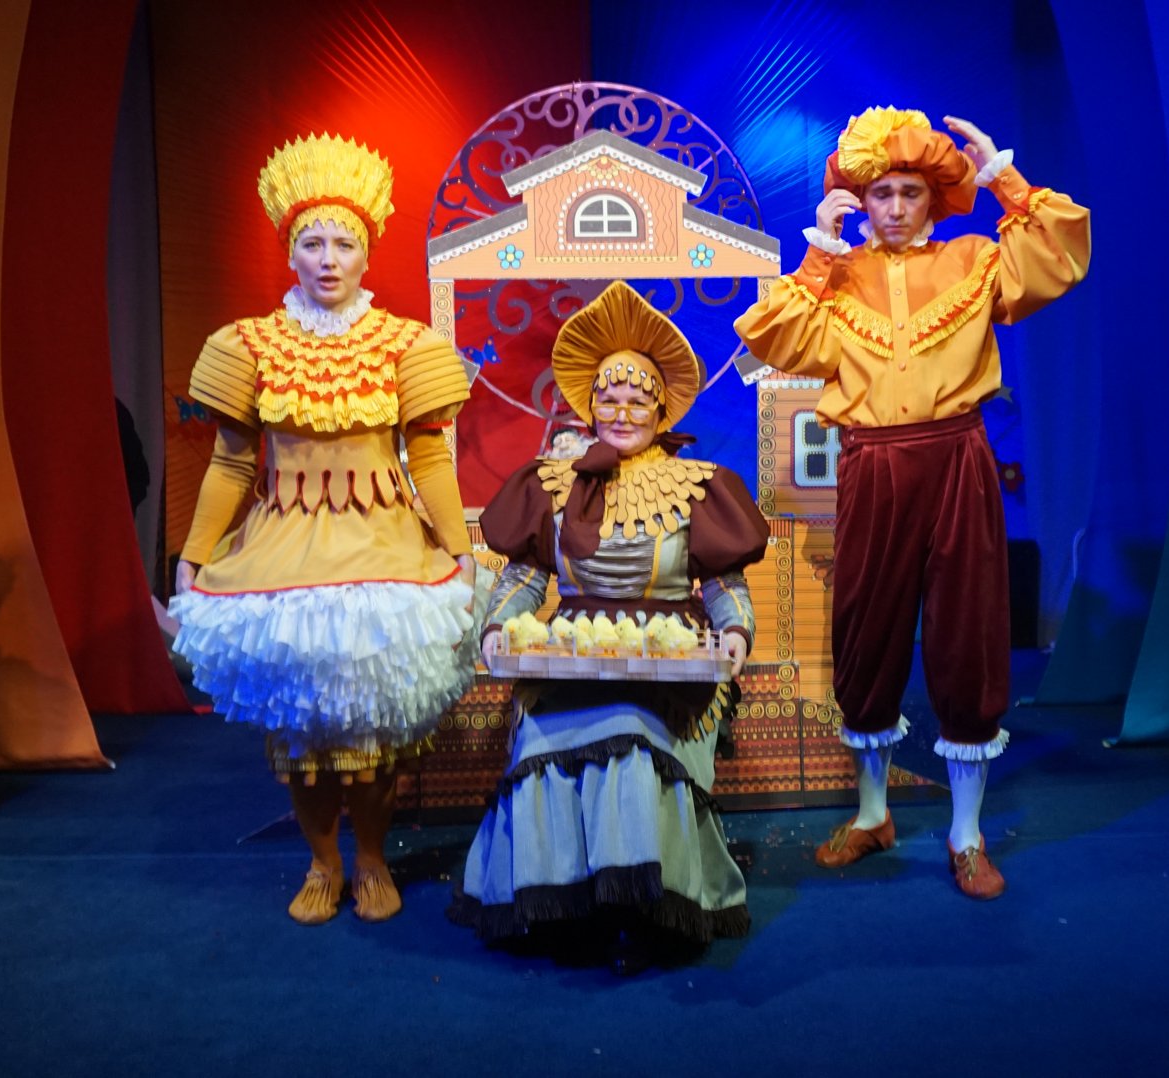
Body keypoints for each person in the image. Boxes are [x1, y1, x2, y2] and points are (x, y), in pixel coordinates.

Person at [734, 108, 1090, 899]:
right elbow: (774, 339)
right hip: (873, 465)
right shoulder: (838, 276)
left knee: (968, 633)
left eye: (910, 192)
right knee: (867, 631)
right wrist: (820, 251)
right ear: (859, 200)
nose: (894, 207)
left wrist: (1002, 174)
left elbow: (1059, 256)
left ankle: (966, 834)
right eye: (880, 194)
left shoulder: (972, 259)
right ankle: (873, 814)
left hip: (957, 457)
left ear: (934, 197)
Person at [169, 133, 477, 924]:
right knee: (303, 735)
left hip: (382, 550)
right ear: (290, 253)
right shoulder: (248, 346)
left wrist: (459, 548)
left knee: (373, 731)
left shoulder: (406, 345)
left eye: (345, 243)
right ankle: (321, 863)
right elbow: (231, 463)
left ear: (367, 254)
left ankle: (371, 860)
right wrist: (193, 554)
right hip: (285, 555)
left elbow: (430, 457)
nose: (329, 259)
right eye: (313, 243)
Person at [448, 282, 768, 972]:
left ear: (661, 408)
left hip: (673, 666)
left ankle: (645, 903)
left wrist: (734, 635)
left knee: (631, 732)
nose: (622, 413)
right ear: (589, 406)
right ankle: (563, 904)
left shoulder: (697, 484)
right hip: (569, 654)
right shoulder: (554, 482)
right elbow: (525, 578)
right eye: (609, 400)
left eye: (637, 401)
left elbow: (724, 584)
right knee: (540, 742)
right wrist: (499, 626)